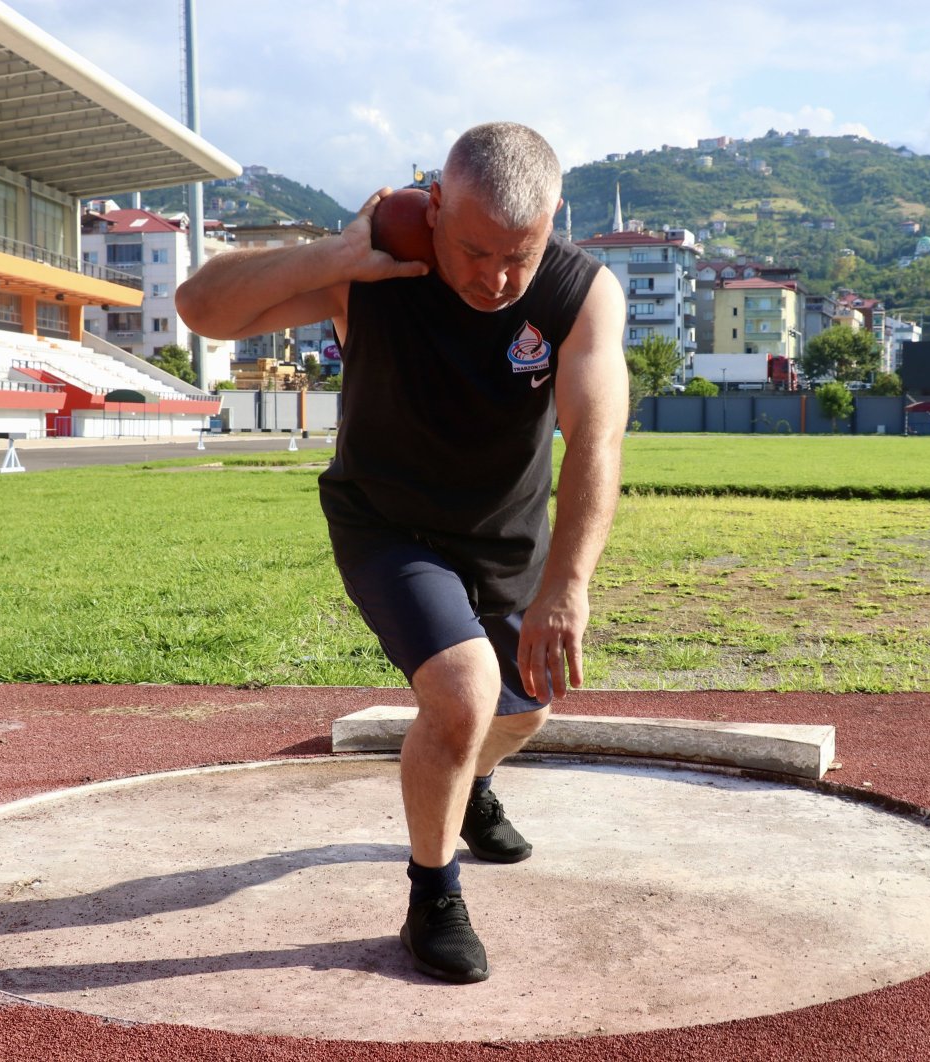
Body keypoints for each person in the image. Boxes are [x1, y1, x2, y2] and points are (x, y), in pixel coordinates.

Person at [176, 121, 627, 983]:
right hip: (387, 521)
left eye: (518, 256)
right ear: (435, 205)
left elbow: (596, 443)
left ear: (554, 221)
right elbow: (202, 310)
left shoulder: (581, 292)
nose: (494, 279)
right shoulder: (377, 267)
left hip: (505, 536)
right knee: (464, 693)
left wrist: (567, 586)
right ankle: (434, 896)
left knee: (524, 710)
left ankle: (469, 785)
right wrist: (333, 255)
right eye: (472, 250)